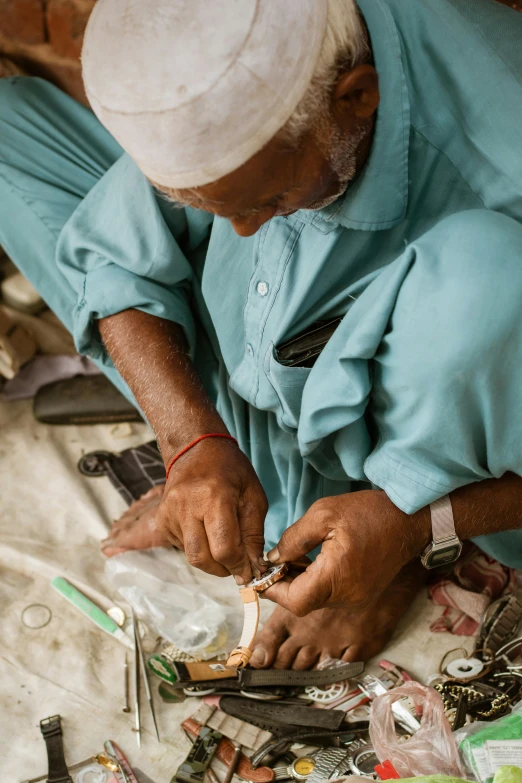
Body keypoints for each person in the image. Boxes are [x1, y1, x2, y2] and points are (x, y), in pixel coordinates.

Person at [1, 0, 522, 670]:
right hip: (259, 381)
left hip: (429, 439)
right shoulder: (233, 51)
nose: (241, 233)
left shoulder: (501, 152)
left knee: (489, 282)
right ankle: (242, 472)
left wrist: (419, 521)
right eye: (209, 209)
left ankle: (387, 549)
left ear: (356, 98)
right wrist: (190, 438)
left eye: (265, 203)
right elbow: (114, 256)